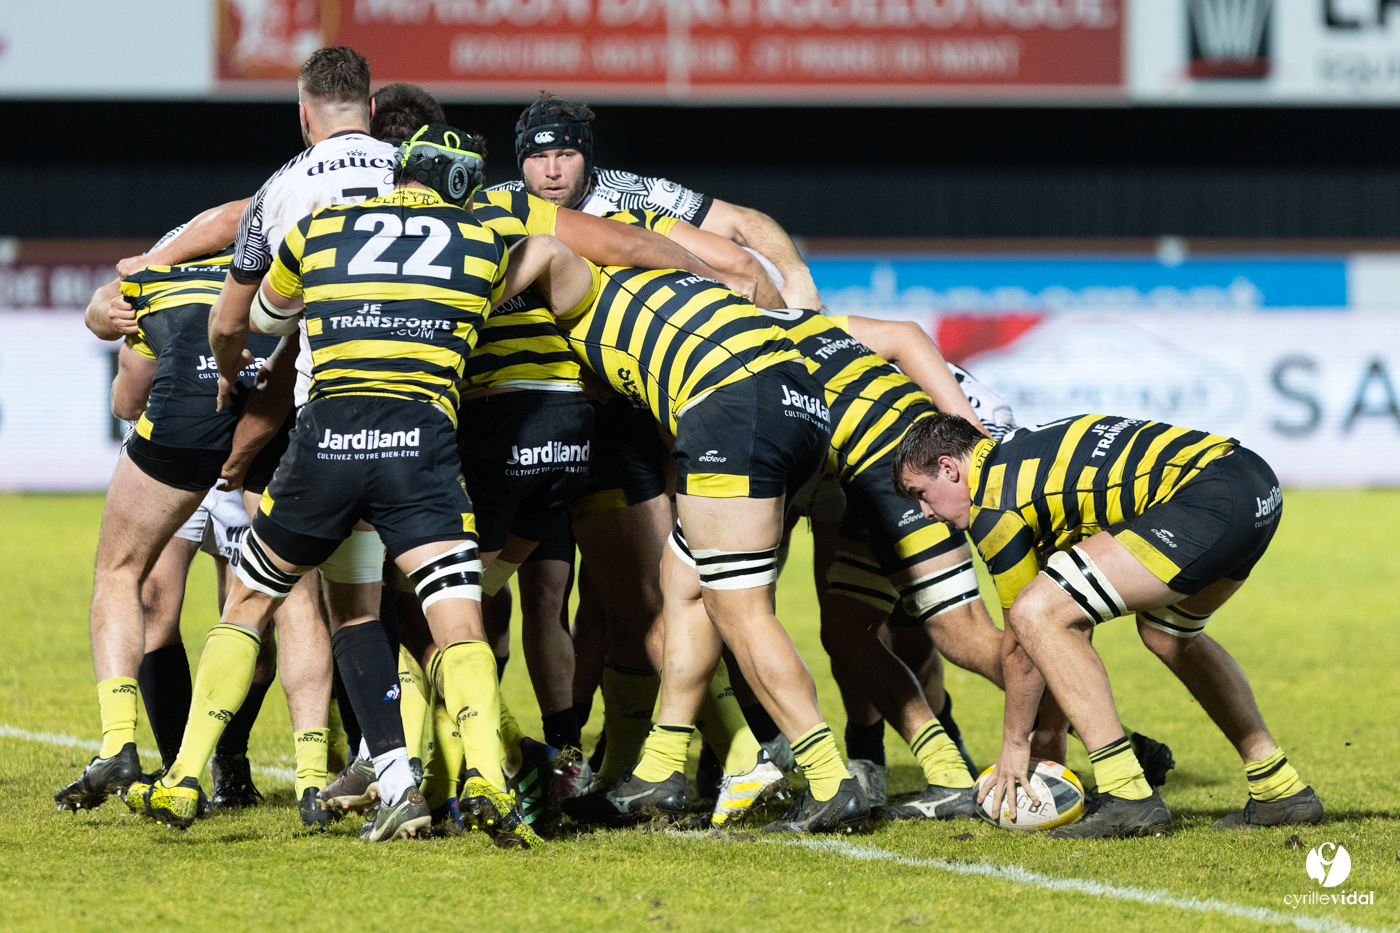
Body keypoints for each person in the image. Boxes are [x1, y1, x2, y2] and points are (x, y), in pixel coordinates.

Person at [495, 237, 867, 834]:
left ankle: (829, 779)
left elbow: (544, 248)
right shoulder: (664, 297)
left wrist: (473, 299)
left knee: (736, 605)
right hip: (791, 403)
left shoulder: (586, 284)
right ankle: (661, 767)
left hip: (734, 404)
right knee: (682, 582)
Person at [893, 413, 1324, 838]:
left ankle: (1127, 794)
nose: (925, 512)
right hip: (1253, 482)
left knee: (1033, 613)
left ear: (949, 468)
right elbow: (1069, 623)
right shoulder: (1024, 455)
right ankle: (1278, 788)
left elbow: (1024, 644)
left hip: (1207, 498)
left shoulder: (993, 504)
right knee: (1168, 636)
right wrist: (1051, 732)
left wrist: (1015, 745)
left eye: (922, 494)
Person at [500, 93, 820, 310]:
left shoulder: (635, 192)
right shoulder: (502, 204)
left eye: (566, 155)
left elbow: (744, 221)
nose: (552, 172)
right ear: (521, 164)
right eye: (538, 158)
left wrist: (798, 276)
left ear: (587, 158)